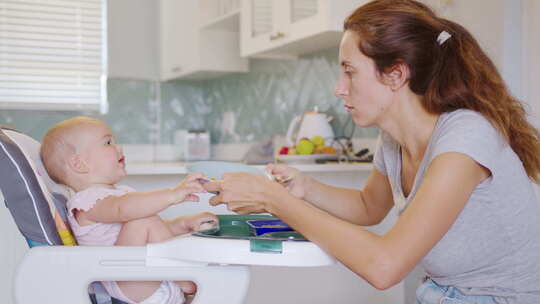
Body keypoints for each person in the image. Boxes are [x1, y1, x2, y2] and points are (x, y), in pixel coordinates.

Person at [203, 0, 540, 303]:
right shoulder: (394, 138)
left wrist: (274, 200)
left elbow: (384, 267)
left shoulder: (466, 139)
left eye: (349, 71)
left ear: (395, 74)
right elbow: (369, 207)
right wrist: (303, 189)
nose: (339, 88)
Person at [40, 116, 217, 304]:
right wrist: (173, 194)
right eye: (107, 142)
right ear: (79, 164)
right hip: (125, 279)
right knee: (142, 219)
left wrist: (185, 224)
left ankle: (182, 280)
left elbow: (152, 231)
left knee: (145, 219)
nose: (119, 147)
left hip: (144, 276)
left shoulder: (120, 194)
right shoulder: (86, 202)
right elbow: (122, 209)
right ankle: (185, 279)